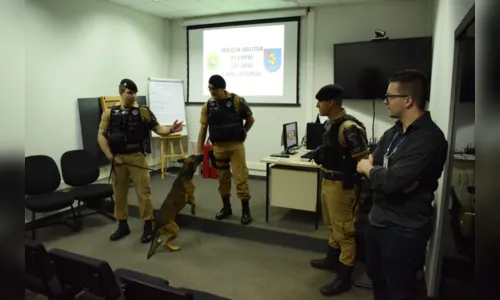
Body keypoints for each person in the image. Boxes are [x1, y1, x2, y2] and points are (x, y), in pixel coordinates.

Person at [356, 69, 448, 300]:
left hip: (403, 230)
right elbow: (371, 166)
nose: (385, 101)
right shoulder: (394, 133)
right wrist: (382, 176)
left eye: (390, 96)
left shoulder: (429, 139)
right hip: (377, 221)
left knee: (400, 290)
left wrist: (377, 174)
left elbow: (388, 180)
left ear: (408, 101)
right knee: (378, 282)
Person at [98, 79, 183, 243]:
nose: (133, 96)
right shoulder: (109, 113)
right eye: (129, 93)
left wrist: (171, 129)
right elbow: (101, 135)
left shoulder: (143, 111)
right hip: (117, 159)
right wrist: (110, 156)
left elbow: (158, 129)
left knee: (143, 192)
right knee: (119, 193)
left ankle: (147, 226)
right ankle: (122, 225)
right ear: (121, 93)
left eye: (134, 93)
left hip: (136, 156)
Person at [310, 84, 370, 296]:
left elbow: (363, 161)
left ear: (331, 103)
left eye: (320, 101)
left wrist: (362, 193)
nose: (317, 105)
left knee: (344, 231)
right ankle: (331, 258)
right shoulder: (331, 124)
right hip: (328, 180)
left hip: (342, 186)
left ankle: (344, 277)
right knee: (332, 224)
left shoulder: (349, 128)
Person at [197, 75, 255, 225]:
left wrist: (244, 132)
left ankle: (245, 211)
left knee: (240, 178)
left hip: (236, 146)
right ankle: (226, 208)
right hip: (219, 147)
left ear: (222, 88)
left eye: (214, 89)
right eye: (209, 89)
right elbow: (203, 129)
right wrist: (199, 152)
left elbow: (250, 120)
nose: (211, 92)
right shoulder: (207, 106)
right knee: (222, 178)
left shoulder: (237, 101)